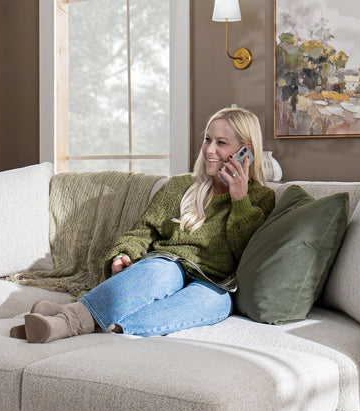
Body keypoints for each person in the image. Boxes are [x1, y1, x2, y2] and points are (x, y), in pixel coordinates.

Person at [17, 106, 276, 343]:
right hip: (168, 264)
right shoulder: (180, 187)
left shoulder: (261, 199)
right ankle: (68, 322)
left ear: (246, 150)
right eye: (208, 139)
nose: (209, 150)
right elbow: (143, 232)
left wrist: (239, 200)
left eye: (221, 143)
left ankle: (73, 320)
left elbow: (243, 254)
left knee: (216, 305)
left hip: (214, 283)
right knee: (162, 272)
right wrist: (124, 253)